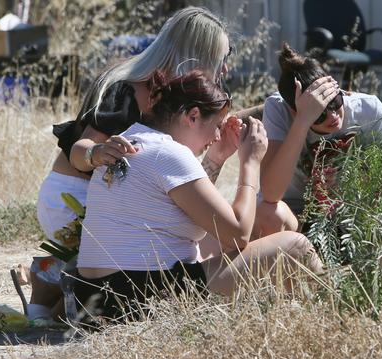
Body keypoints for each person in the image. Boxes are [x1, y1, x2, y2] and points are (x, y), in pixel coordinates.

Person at [30, 6, 238, 324]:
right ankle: (52, 283)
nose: (222, 71)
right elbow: (79, 151)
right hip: (74, 193)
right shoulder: (129, 87)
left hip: (108, 192)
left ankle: (53, 284)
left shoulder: (165, 92)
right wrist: (97, 152)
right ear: (197, 53)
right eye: (219, 60)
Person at [74, 71, 323, 324]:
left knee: (270, 218)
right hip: (140, 298)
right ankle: (331, 312)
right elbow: (238, 234)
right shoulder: (168, 153)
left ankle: (293, 314)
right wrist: (251, 162)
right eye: (216, 126)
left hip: (96, 297)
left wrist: (215, 159)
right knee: (296, 247)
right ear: (192, 116)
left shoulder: (136, 137)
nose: (217, 136)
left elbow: (193, 210)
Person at [255, 43, 382, 237]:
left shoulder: (368, 109)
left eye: (335, 102)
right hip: (297, 213)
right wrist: (302, 121)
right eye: (319, 114)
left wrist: (355, 178)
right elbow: (271, 193)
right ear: (293, 111)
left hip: (354, 211)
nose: (332, 117)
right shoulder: (279, 110)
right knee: (268, 213)